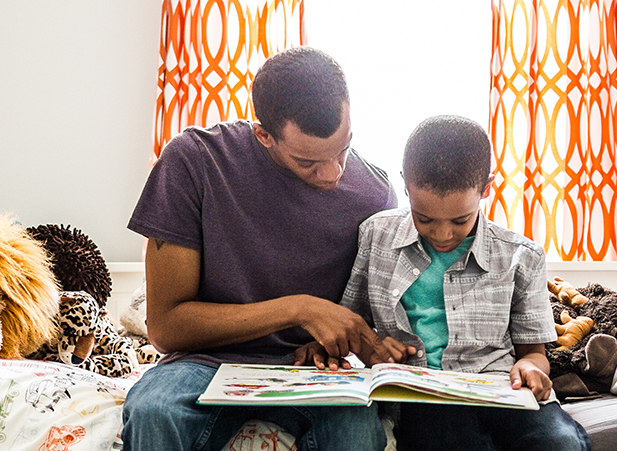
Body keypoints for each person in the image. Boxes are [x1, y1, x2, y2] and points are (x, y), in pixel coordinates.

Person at [121, 47, 403, 451]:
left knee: (357, 431)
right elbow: (166, 329)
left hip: (312, 372)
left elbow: (366, 317)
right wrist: (300, 308)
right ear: (264, 135)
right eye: (309, 162)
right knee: (155, 411)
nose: (333, 173)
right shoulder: (196, 161)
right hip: (201, 363)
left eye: (343, 149)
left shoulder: (374, 193)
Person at [301, 115, 591, 450]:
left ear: (486, 188)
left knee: (561, 443)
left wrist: (530, 369)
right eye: (423, 218)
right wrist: (375, 345)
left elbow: (533, 354)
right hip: (424, 396)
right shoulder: (376, 236)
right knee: (443, 439)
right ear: (405, 186)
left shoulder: (521, 256)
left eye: (460, 220)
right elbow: (353, 326)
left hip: (502, 390)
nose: (442, 234)